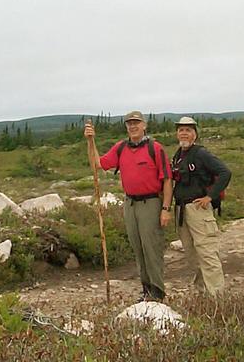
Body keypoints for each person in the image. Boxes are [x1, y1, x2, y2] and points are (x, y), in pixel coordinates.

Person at [85, 110, 173, 301]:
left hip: (151, 202)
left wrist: (166, 209)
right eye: (129, 123)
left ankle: (157, 291)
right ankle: (146, 289)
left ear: (144, 125)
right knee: (137, 247)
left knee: (151, 246)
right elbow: (97, 164)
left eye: (136, 123)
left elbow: (167, 180)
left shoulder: (155, 148)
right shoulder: (121, 148)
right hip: (130, 203)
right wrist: (90, 141)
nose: (132, 126)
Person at [171, 116, 231, 297]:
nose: (184, 133)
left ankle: (217, 298)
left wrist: (209, 197)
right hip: (182, 210)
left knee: (207, 253)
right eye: (181, 129)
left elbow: (225, 172)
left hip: (198, 210)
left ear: (195, 134)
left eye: (188, 130)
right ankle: (202, 294)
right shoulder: (178, 154)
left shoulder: (201, 154)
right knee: (192, 255)